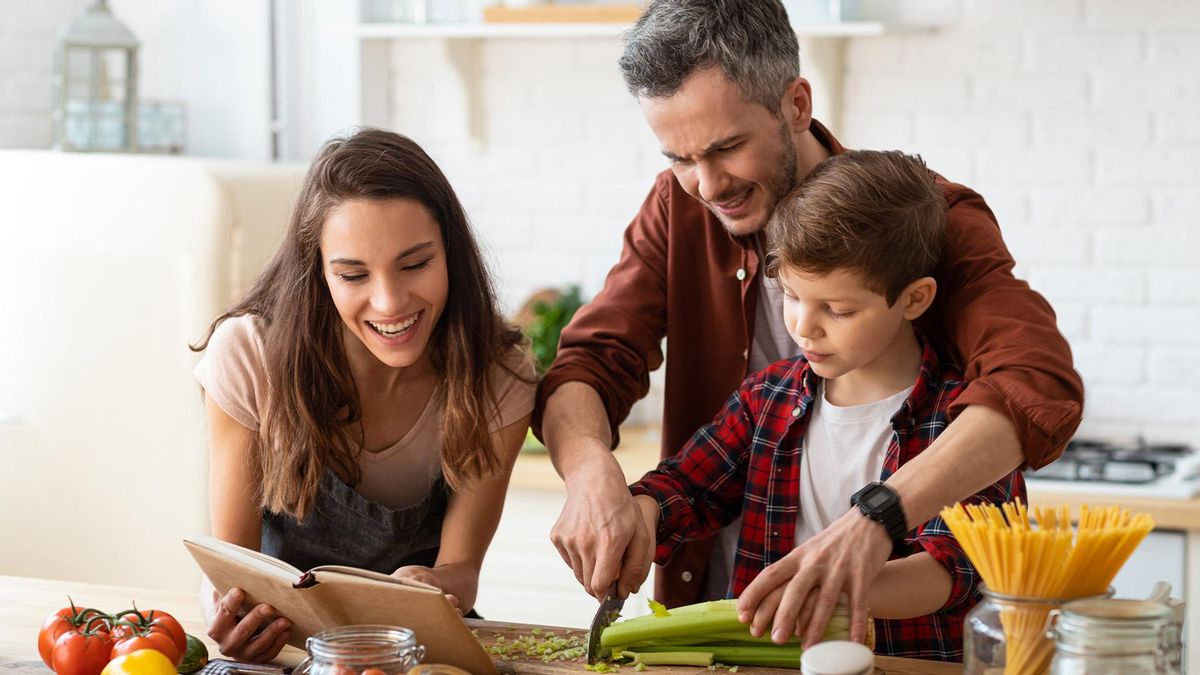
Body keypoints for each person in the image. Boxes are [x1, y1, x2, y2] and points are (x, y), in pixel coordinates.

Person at [535, 0, 1082, 648]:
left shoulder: (924, 220)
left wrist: (876, 520)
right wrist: (595, 474)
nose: (706, 185)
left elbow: (1035, 381)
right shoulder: (678, 208)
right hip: (729, 627)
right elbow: (592, 361)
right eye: (679, 157)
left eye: (727, 147)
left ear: (796, 104)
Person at [629, 149, 1025, 661]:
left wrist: (830, 585)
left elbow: (957, 567)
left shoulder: (964, 423)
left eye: (837, 309)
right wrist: (637, 514)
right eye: (791, 296)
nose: (804, 327)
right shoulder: (764, 399)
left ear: (914, 299)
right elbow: (685, 489)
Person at [191, 128, 535, 662]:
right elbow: (234, 565)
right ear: (318, 273)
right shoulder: (250, 356)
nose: (390, 302)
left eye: (416, 264)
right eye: (353, 274)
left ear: (451, 252)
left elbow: (463, 571)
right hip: (288, 651)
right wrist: (228, 611)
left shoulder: (497, 374)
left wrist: (438, 582)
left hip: (422, 652)